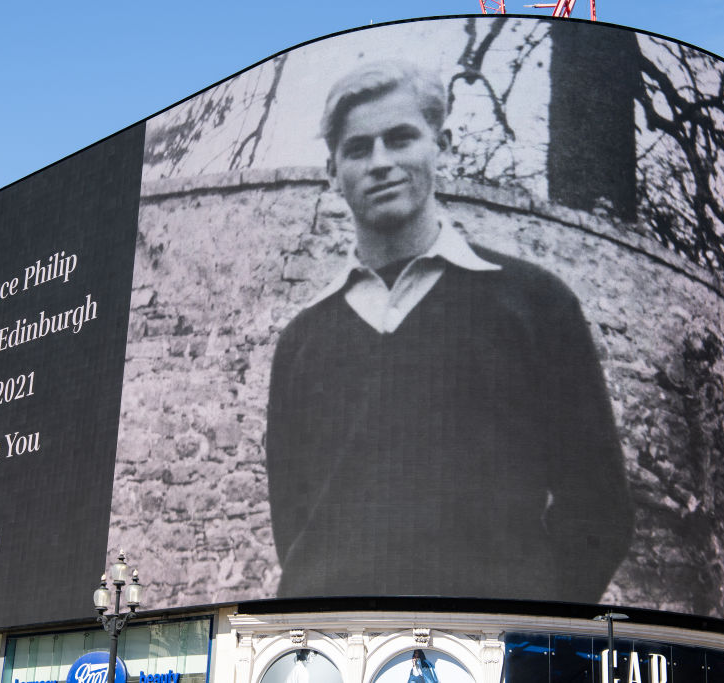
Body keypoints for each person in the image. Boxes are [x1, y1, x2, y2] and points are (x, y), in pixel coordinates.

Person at [265, 60, 632, 603]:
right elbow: (293, 527)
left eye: (401, 139)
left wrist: (525, 629)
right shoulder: (302, 340)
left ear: (444, 146)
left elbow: (600, 509)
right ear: (332, 172)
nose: (381, 162)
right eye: (359, 148)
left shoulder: (534, 303)